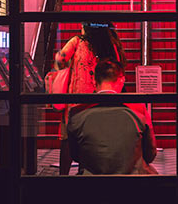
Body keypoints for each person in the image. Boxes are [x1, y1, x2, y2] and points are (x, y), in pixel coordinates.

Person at [54, 22, 127, 174]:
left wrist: (70, 69)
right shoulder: (110, 44)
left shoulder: (77, 41)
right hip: (100, 97)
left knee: (68, 137)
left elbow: (60, 59)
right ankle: (85, 171)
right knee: (91, 136)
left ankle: (63, 176)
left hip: (75, 98)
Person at [67, 59, 158, 175]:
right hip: (133, 184)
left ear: (94, 81)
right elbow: (150, 154)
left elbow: (75, 155)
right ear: (122, 80)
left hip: (90, 186)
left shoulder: (77, 112)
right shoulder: (138, 110)